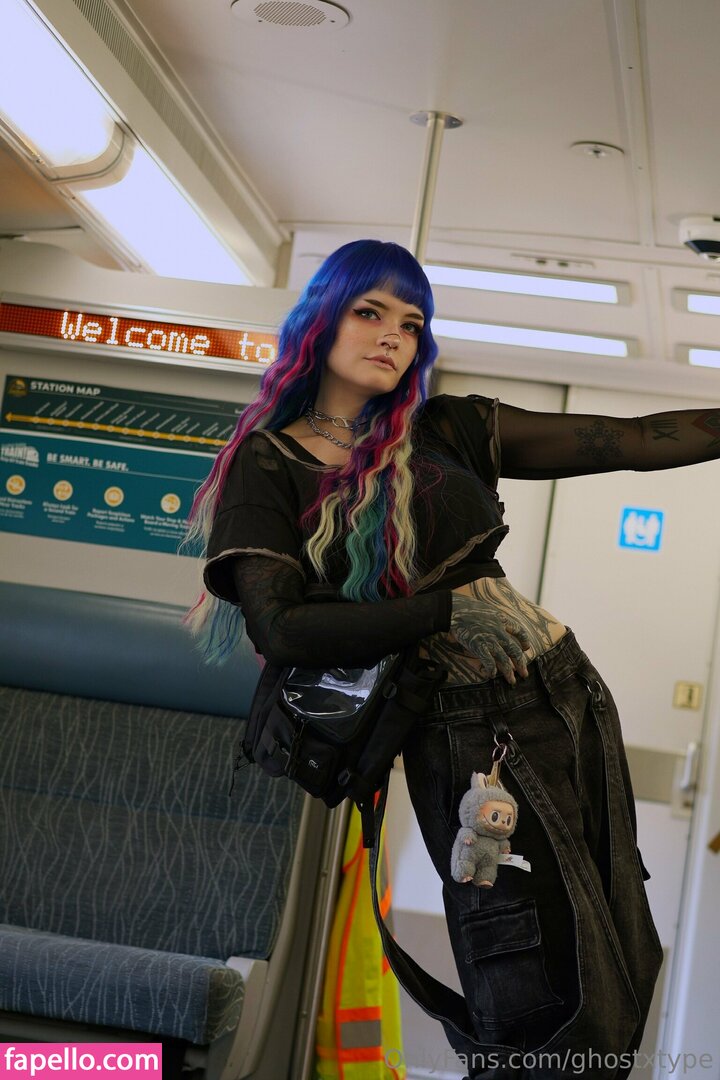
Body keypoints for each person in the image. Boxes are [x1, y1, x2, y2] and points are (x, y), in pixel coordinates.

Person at [185, 240, 718, 1079]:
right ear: (320, 318)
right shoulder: (269, 462)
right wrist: (446, 609)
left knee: (619, 951)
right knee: (534, 985)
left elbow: (627, 439)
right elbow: (281, 630)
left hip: (569, 697)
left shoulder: (442, 430)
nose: (392, 336)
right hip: (469, 737)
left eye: (412, 323)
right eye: (370, 312)